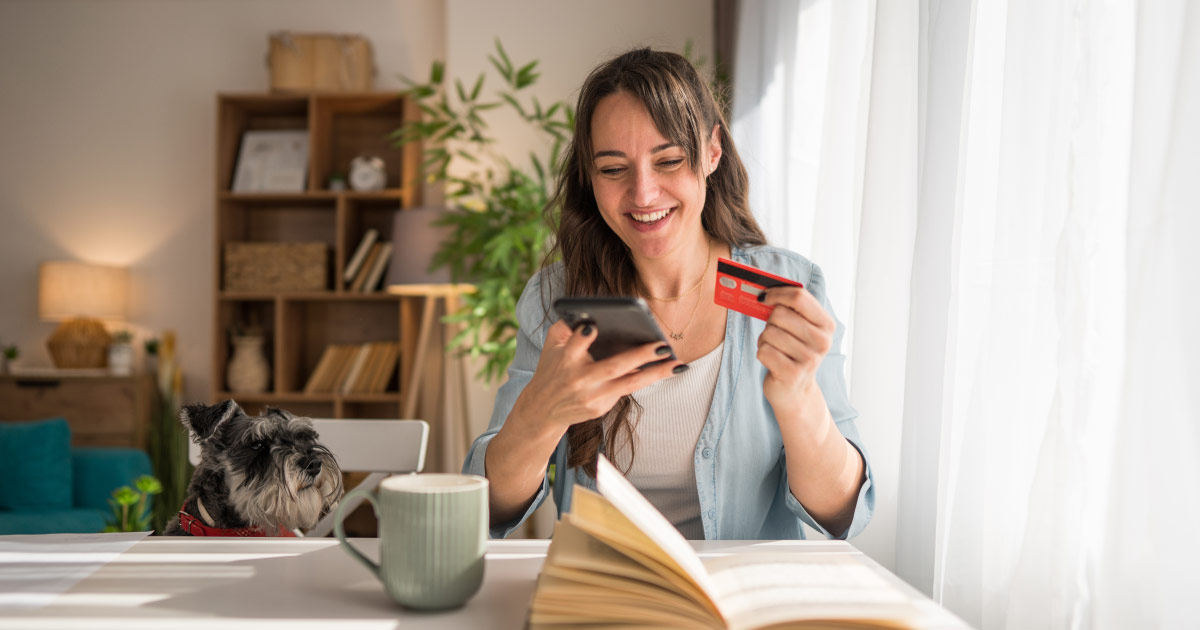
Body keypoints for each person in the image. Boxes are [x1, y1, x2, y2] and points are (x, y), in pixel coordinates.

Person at [463, 48, 873, 541]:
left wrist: (799, 398)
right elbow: (487, 509)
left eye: (670, 160)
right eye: (613, 169)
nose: (643, 194)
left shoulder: (791, 291)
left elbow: (842, 515)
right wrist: (538, 414)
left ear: (712, 152)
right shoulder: (555, 298)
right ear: (589, 178)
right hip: (605, 601)